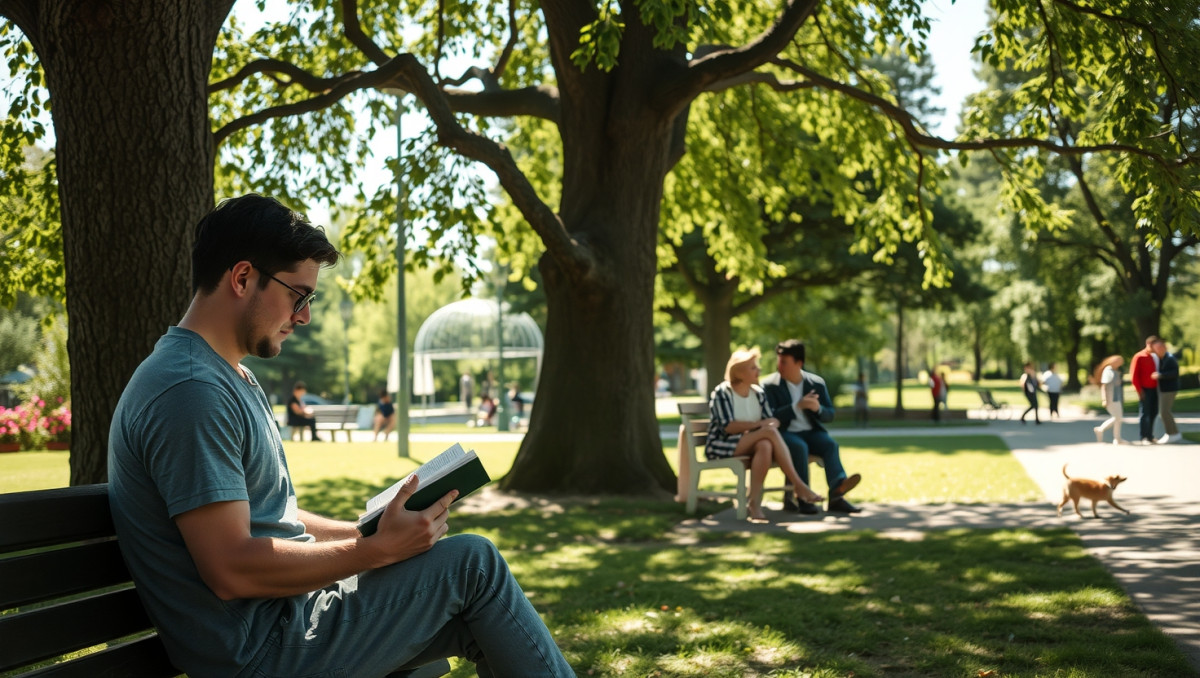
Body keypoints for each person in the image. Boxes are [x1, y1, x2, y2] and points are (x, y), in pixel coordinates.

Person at [107, 194, 572, 678]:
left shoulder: (225, 376)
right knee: (473, 567)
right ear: (243, 278)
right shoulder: (191, 390)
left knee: (477, 613)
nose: (304, 316)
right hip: (260, 650)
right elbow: (230, 568)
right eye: (298, 295)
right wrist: (373, 551)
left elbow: (264, 516)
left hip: (286, 621)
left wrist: (362, 531)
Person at [707, 347, 824, 522]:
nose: (759, 370)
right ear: (739, 372)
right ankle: (799, 486)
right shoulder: (723, 392)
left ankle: (754, 504)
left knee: (765, 445)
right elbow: (728, 427)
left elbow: (772, 420)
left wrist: (770, 424)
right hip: (723, 444)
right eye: (753, 368)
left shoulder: (758, 393)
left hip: (753, 441)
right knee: (768, 434)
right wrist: (761, 425)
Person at [761, 340, 864, 515]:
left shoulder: (816, 383)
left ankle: (837, 493)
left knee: (830, 444)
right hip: (784, 434)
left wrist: (818, 409)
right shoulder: (769, 385)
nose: (779, 366)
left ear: (799, 363)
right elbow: (769, 417)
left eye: (784, 362)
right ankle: (804, 498)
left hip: (811, 432)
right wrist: (797, 406)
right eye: (778, 360)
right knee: (800, 447)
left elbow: (829, 415)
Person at [1130, 335, 1160, 444]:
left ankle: (1150, 436)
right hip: (1144, 389)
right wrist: (1139, 390)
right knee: (1145, 414)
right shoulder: (1139, 356)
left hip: (1154, 389)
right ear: (1149, 344)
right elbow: (1134, 376)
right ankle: (1144, 437)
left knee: (1154, 412)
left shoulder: (1155, 357)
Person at [1153, 338, 1182, 444]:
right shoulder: (1161, 358)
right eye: (1156, 348)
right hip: (1164, 389)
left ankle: (1172, 434)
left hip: (1170, 389)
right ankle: (1173, 433)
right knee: (1164, 412)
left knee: (1164, 412)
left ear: (1165, 347)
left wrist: (1161, 375)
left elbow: (1175, 372)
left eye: (1160, 347)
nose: (1158, 349)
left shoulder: (1170, 358)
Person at [1092, 355, 1126, 444]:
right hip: (1110, 397)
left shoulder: (1116, 371)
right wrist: (1104, 399)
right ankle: (1101, 429)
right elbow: (1104, 386)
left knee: (1118, 418)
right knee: (1117, 417)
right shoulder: (1108, 371)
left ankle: (1117, 438)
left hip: (1117, 397)